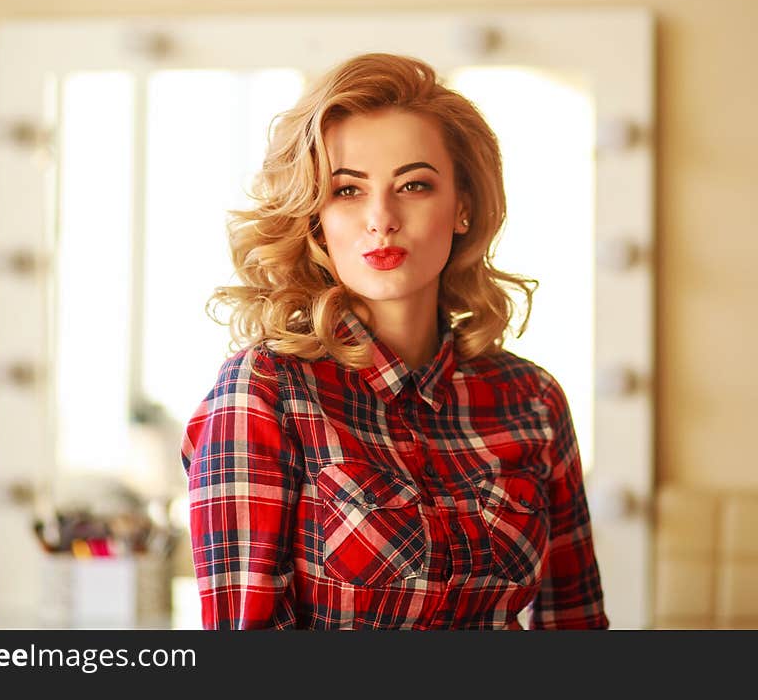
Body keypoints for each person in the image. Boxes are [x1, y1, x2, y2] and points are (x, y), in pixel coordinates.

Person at [181, 52, 608, 630]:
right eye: (348, 191)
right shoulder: (263, 393)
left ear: (462, 207)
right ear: (315, 218)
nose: (381, 218)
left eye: (413, 185)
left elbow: (577, 627)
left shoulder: (532, 399)